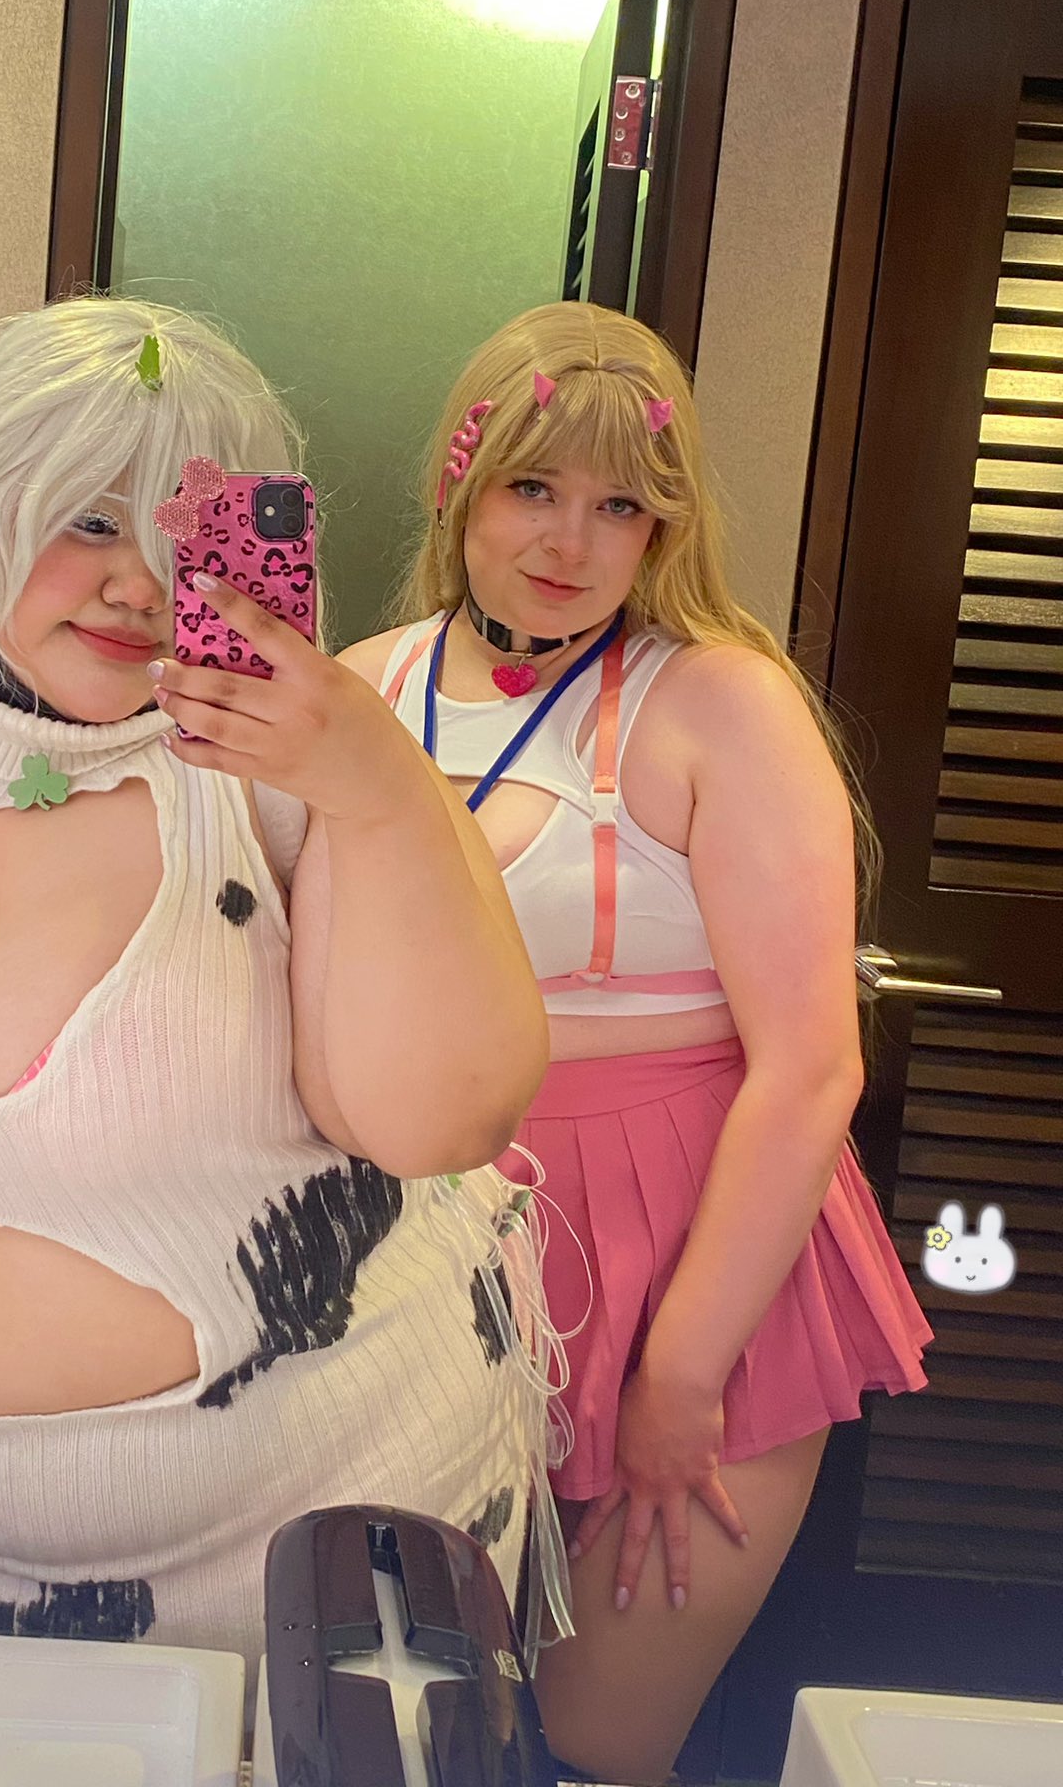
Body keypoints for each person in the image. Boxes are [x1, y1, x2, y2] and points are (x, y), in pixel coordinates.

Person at [0, 295, 566, 1670]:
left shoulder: (306, 782)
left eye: (185, 537)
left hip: (312, 1562)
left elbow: (441, 1119)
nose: (138, 582)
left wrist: (373, 786)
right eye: (86, 520)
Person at [345, 300, 931, 1785]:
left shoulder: (721, 702)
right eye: (534, 488)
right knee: (400, 1727)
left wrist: (681, 1377)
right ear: (461, 482)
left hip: (697, 1255)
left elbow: (813, 1065)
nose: (572, 540)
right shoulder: (362, 689)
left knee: (593, 1742)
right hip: (421, 1255)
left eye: (621, 506)